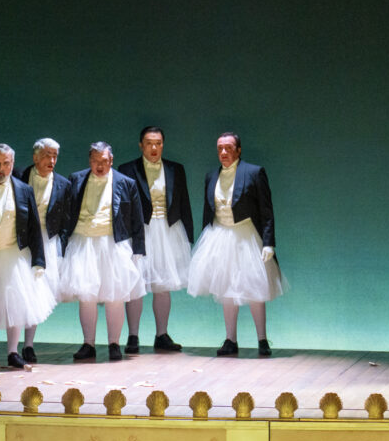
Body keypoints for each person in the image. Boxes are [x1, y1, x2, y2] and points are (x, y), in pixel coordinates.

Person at [187, 132, 288, 357]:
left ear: (238, 150)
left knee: (255, 288)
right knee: (226, 289)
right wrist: (205, 241)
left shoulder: (254, 172)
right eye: (220, 148)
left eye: (229, 148)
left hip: (245, 235)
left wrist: (268, 243)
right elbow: (208, 209)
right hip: (220, 235)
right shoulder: (211, 175)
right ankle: (230, 339)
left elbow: (266, 211)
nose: (223, 152)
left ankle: (262, 339)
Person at [58, 142, 146, 362]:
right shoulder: (76, 179)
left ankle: (114, 343)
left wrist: (138, 250)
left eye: (104, 161)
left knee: (115, 295)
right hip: (83, 242)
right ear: (89, 160)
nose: (100, 165)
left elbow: (137, 219)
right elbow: (66, 213)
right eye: (95, 161)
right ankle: (88, 343)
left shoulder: (126, 183)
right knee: (86, 296)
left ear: (111, 160)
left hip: (113, 244)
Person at [0, 144, 54, 369]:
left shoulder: (23, 190)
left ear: (12, 164)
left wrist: (39, 261)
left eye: (6, 163)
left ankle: (13, 351)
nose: (1, 168)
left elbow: (34, 226)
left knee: (15, 302)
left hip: (13, 254)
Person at [118, 127, 194, 354]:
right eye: (149, 143)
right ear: (141, 145)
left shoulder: (175, 169)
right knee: (136, 284)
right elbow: (122, 206)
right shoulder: (127, 169)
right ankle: (133, 336)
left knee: (163, 285)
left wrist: (188, 236)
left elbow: (183, 201)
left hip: (168, 231)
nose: (154, 147)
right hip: (140, 231)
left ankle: (162, 334)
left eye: (158, 143)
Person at [14, 137, 73, 363]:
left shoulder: (63, 184)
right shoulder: (19, 176)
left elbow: (66, 220)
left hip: (46, 242)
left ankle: (28, 344)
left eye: (55, 156)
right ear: (35, 157)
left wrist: (61, 250)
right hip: (20, 239)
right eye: (47, 155)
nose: (52, 160)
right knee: (15, 288)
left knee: (36, 291)